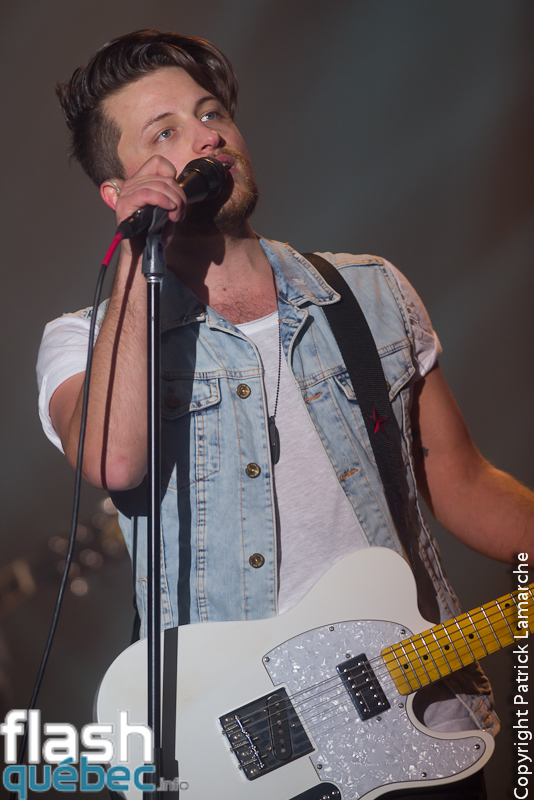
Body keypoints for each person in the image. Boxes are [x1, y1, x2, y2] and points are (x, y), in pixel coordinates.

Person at [37, 30, 534, 799]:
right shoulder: (84, 340)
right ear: (117, 191)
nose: (206, 136)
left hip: (421, 721)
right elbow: (113, 460)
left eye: (211, 114)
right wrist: (139, 254)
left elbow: (461, 481)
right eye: (163, 133)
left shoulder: (369, 292)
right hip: (245, 755)